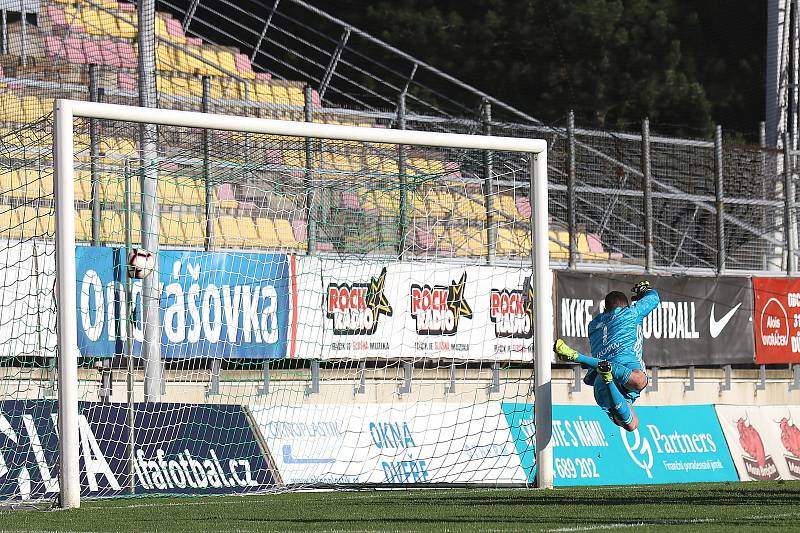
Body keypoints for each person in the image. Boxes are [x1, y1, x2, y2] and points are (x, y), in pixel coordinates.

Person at [553, 280, 660, 431]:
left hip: (601, 382)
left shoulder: (593, 325)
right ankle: (580, 358)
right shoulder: (630, 313)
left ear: (604, 309)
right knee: (638, 383)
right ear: (626, 306)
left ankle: (605, 375)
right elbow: (654, 298)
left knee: (632, 424)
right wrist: (643, 291)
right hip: (622, 370)